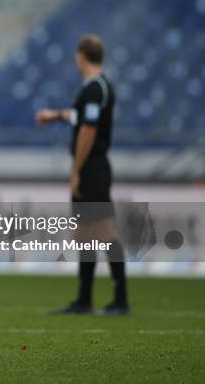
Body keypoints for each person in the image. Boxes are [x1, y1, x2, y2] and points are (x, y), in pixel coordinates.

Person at [35, 34, 129, 315]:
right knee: (86, 233)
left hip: (92, 168)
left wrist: (76, 170)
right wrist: (56, 115)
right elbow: (81, 118)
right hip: (93, 166)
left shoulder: (94, 89)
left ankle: (119, 299)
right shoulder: (96, 88)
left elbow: (89, 130)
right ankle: (84, 299)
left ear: (81, 56)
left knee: (105, 231)